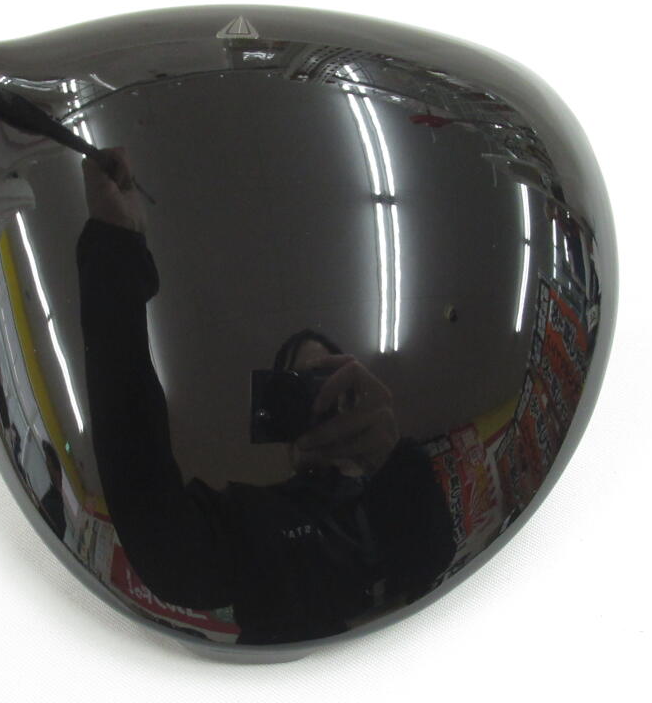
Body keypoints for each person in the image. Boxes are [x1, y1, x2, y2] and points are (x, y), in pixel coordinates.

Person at [77, 153, 456, 644]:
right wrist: (116, 249)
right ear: (276, 412)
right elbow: (162, 544)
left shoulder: (400, 487)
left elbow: (440, 566)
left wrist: (395, 462)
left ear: (359, 393)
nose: (315, 405)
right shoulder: (252, 517)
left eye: (327, 385)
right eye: (297, 388)